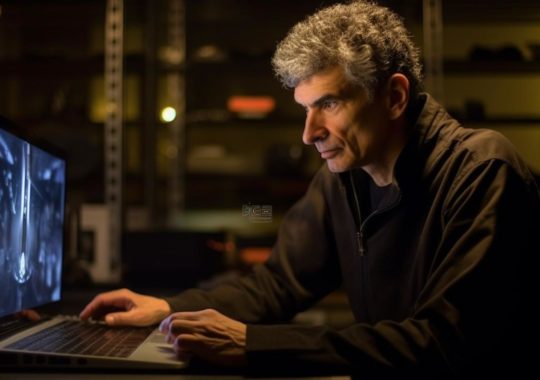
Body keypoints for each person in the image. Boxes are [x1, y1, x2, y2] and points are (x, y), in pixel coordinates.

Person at [80, 1, 540, 378]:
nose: (308, 133)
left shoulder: (482, 171)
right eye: (304, 108)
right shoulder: (344, 177)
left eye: (329, 103)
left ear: (395, 97)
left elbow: (441, 343)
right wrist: (168, 308)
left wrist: (255, 345)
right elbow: (278, 284)